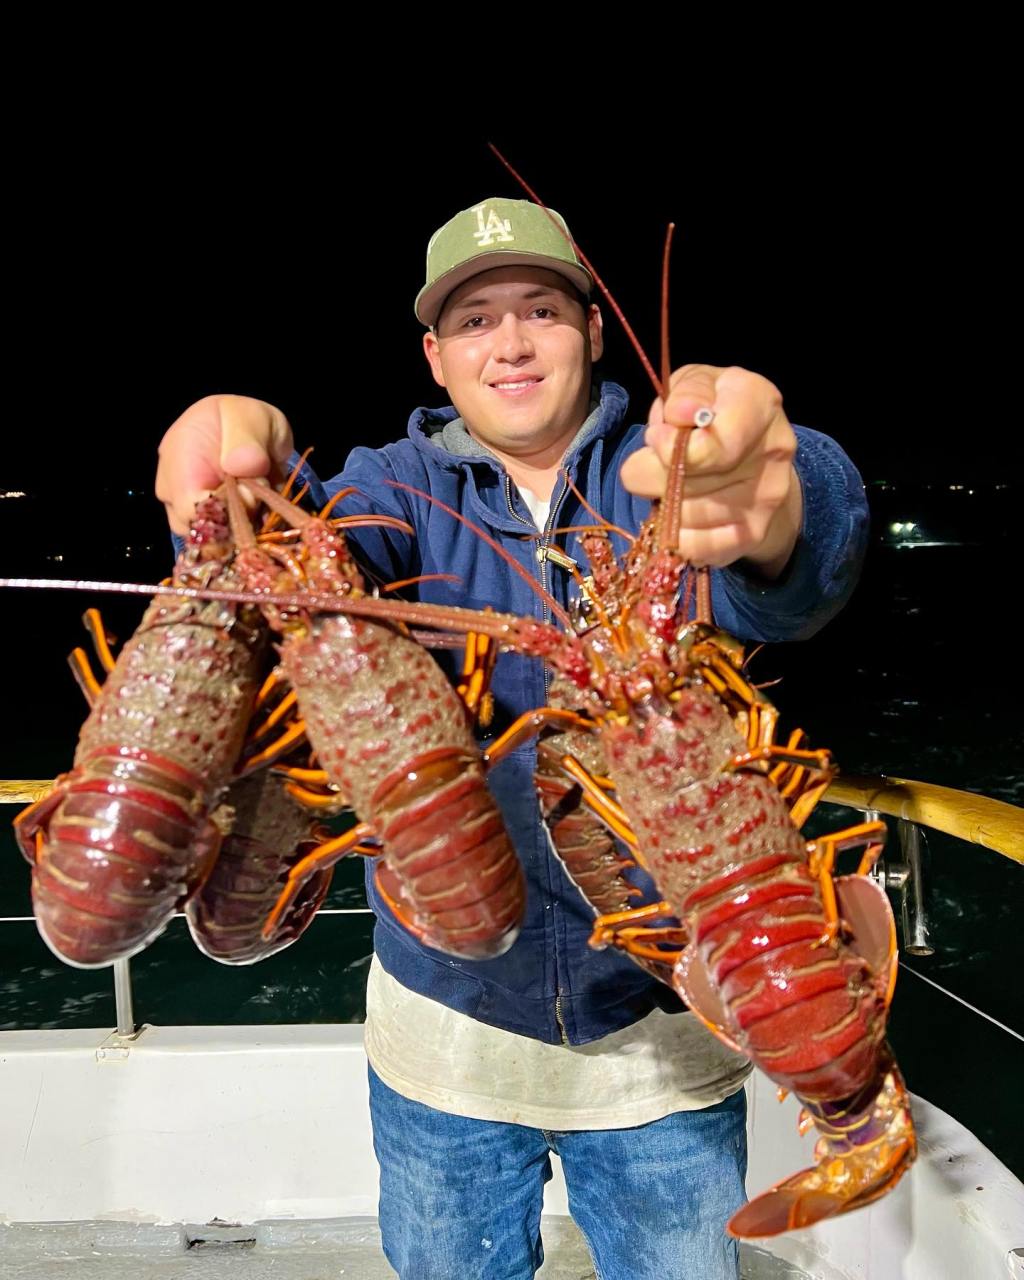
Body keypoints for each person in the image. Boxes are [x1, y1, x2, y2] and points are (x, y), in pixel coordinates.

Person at [156, 197, 870, 1279]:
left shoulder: (662, 473)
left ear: (590, 326)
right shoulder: (392, 490)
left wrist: (782, 506)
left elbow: (787, 561)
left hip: (663, 1038)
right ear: (435, 357)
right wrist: (244, 484)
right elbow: (322, 548)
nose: (514, 341)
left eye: (540, 307)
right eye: (477, 321)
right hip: (445, 1029)